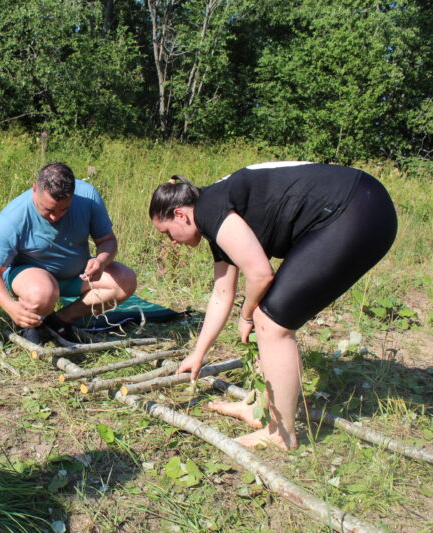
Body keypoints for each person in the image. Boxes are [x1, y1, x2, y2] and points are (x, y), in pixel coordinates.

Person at [149, 162, 397, 450]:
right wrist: (198, 353)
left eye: (167, 232)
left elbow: (260, 274)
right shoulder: (214, 213)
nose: (171, 242)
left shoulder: (210, 208)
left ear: (180, 214)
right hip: (361, 204)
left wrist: (247, 314)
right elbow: (221, 293)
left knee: (271, 322)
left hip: (355, 210)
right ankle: (263, 408)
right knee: (265, 314)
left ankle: (281, 433)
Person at [0, 162, 137, 345]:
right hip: (32, 278)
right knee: (43, 292)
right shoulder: (12, 218)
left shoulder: (88, 197)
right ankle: (33, 324)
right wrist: (10, 307)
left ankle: (60, 320)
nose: (56, 216)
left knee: (125, 280)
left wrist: (102, 260)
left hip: (76, 275)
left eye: (63, 209)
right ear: (34, 189)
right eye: (48, 210)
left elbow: (107, 241)